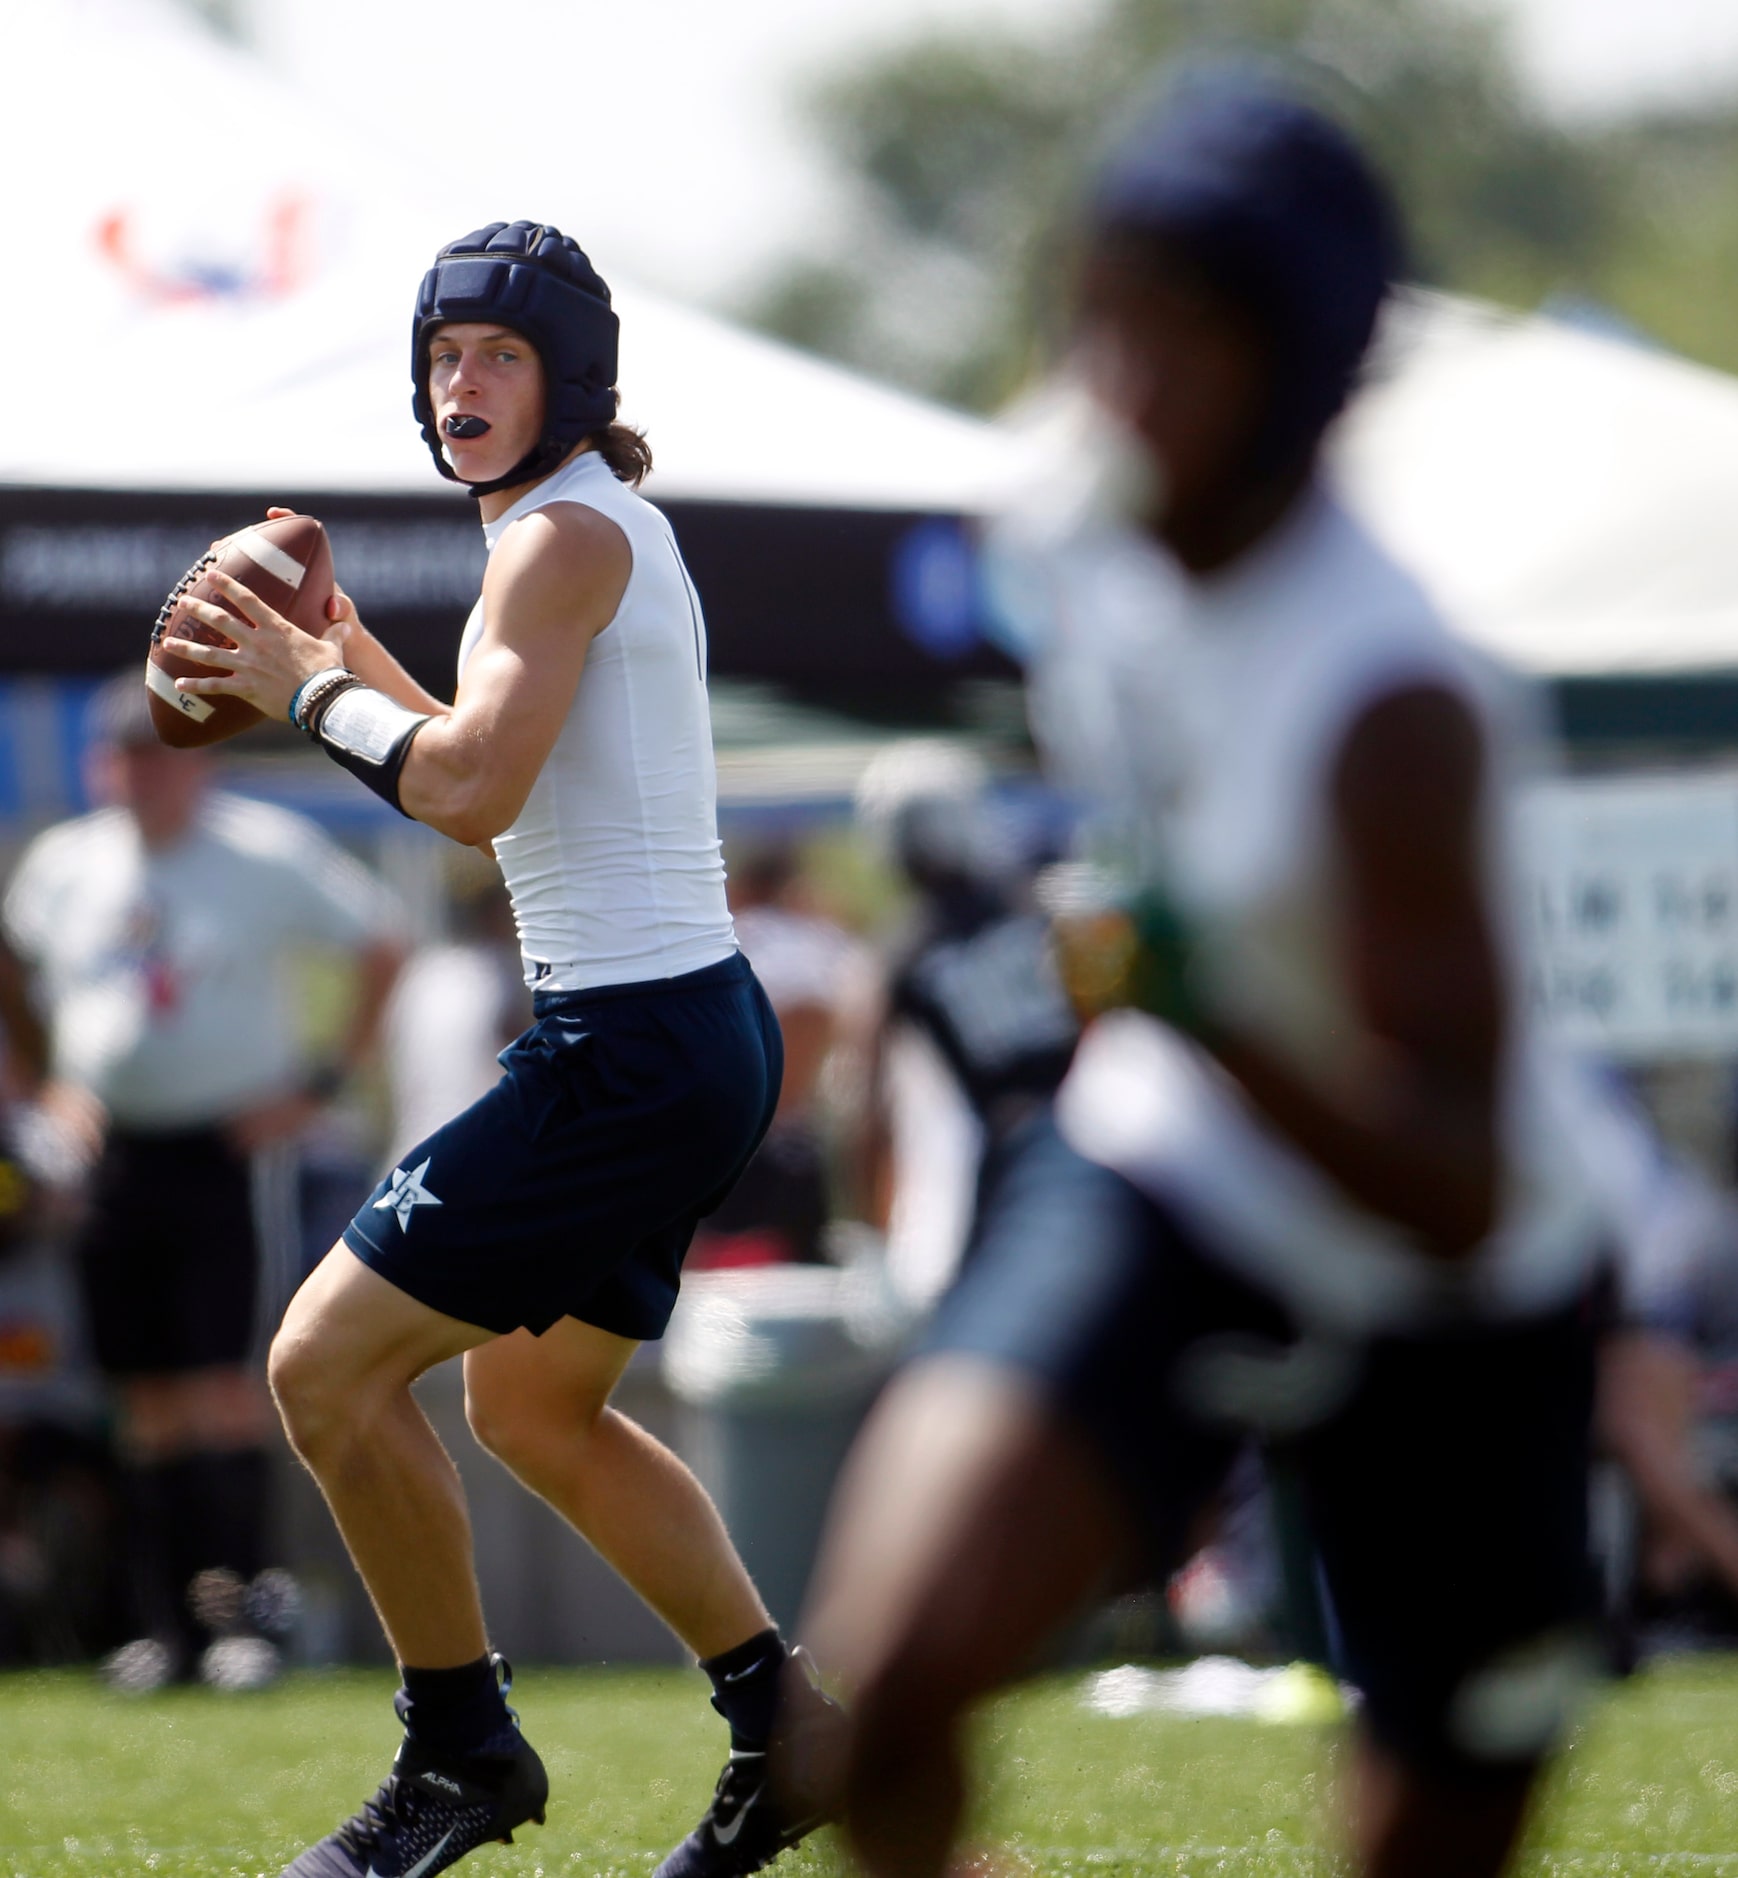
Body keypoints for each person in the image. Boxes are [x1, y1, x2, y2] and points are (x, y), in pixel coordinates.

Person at [790, 69, 1610, 1878]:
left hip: (1452, 1281)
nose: (1119, 376)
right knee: (873, 1702)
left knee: (1424, 1843)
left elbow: (1453, 1185)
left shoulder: (1390, 700)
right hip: (1181, 1165)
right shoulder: (1072, 507)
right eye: (1104, 312)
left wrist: (1189, 995)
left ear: (1301, 375)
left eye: (1182, 333)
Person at [162, 220, 834, 1878]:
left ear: (570, 377)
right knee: (533, 1410)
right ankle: (788, 1729)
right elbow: (486, 775)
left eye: (500, 356)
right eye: (445, 357)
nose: (462, 383)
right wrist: (331, 648)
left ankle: (458, 1749)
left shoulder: (553, 541)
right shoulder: (568, 529)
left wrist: (303, 685)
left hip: (631, 1046)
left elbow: (462, 795)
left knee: (321, 1367)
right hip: (679, 1031)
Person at [0, 677, 404, 1688]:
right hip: (110, 1155)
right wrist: (51, 1093)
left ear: (201, 763)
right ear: (102, 767)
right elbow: (16, 978)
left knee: (222, 1391)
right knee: (141, 1403)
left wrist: (315, 1084)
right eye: (126, 756)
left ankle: (237, 1622)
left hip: (226, 1153)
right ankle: (160, 1628)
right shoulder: (67, 862)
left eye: (164, 755)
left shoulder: (263, 852)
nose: (144, 776)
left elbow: (382, 942)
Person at [846, 740, 1078, 1312]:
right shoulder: (1038, 903)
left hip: (1018, 1164)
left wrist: (868, 1245)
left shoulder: (898, 957)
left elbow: (866, 1110)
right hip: (1102, 1130)